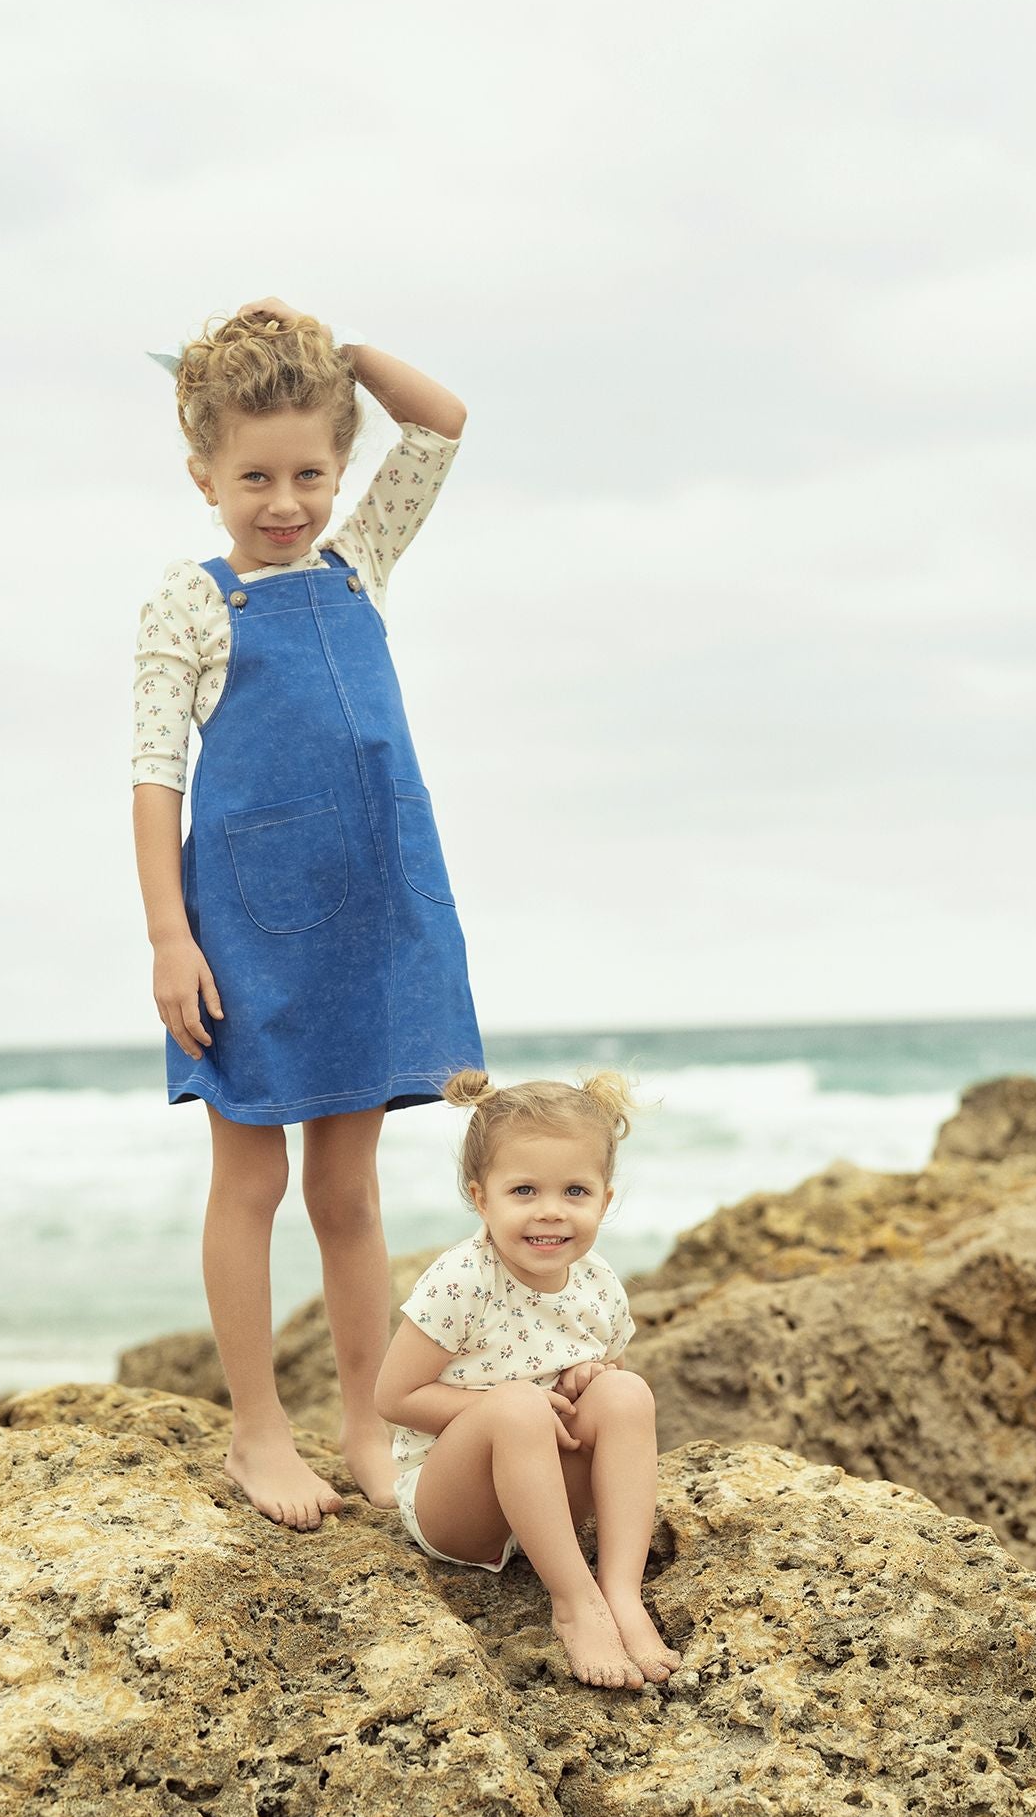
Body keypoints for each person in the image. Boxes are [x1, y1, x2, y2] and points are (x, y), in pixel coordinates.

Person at [132, 297, 484, 1533]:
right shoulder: (190, 602)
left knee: (352, 1191)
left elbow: (436, 424)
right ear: (203, 476)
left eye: (311, 472)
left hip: (375, 911)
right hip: (244, 924)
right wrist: (171, 938)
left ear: (339, 468)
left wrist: (344, 358)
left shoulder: (360, 562)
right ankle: (256, 1428)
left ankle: (363, 1423)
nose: (285, 501)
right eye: (254, 476)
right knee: (249, 1180)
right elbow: (154, 774)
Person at [374, 1071, 682, 1690]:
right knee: (517, 1407)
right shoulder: (464, 1279)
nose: (550, 1211)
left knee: (626, 1393)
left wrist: (589, 1375)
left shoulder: (597, 1284)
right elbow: (395, 1398)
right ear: (480, 1197)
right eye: (523, 1190)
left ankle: (620, 1590)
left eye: (575, 1190)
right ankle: (574, 1601)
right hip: (460, 1505)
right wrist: (508, 1407)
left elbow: (600, 1381)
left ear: (606, 1198)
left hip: (551, 1498)